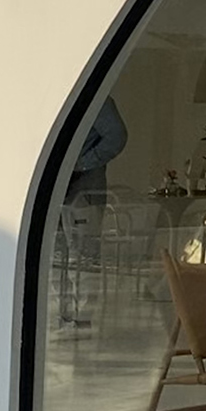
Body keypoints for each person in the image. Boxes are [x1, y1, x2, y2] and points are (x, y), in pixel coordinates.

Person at [57, 96, 128, 327]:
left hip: (84, 192)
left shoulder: (95, 99)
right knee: (55, 255)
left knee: (84, 256)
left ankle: (83, 318)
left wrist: (80, 164)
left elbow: (117, 137)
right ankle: (62, 314)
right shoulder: (53, 98)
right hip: (53, 193)